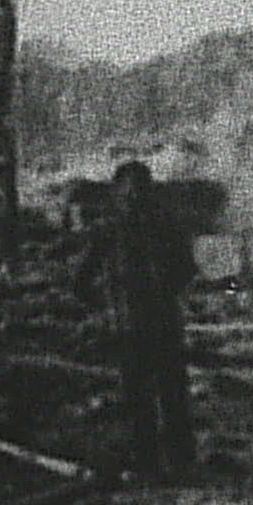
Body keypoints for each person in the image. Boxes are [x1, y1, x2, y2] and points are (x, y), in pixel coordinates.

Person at [83, 160, 198, 479]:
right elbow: (82, 281)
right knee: (150, 397)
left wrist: (160, 294)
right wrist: (110, 305)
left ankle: (170, 462)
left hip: (151, 324)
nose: (133, 198)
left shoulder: (155, 227)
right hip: (140, 326)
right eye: (129, 192)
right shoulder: (113, 230)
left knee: (163, 395)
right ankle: (159, 462)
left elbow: (187, 269)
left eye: (138, 192)